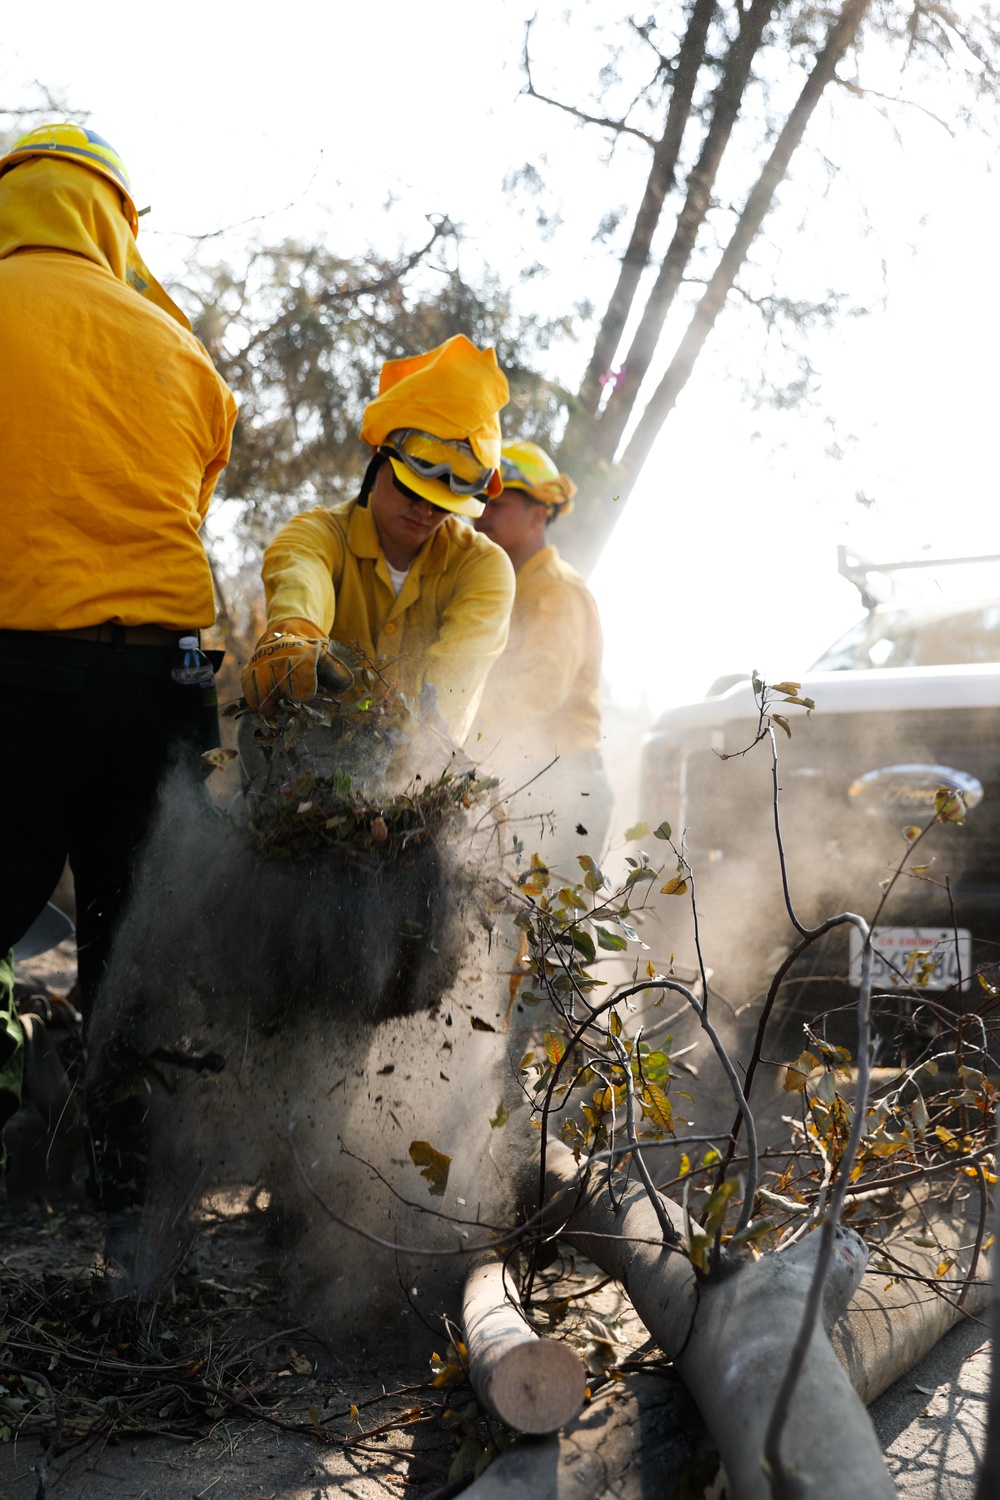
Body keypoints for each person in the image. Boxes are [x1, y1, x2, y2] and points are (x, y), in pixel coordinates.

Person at [0, 124, 237, 1170]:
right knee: (136, 939)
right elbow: (185, 500)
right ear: (113, 222)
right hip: (165, 677)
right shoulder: (183, 351)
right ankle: (135, 1207)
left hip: (18, 666)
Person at [242, 335, 516, 748]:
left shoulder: (482, 568)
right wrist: (294, 634)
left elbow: (452, 688)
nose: (425, 511)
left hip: (417, 770)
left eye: (442, 504)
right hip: (309, 750)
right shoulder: (317, 535)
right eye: (412, 490)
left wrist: (404, 769)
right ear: (378, 461)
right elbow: (300, 577)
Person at [473, 441, 612, 871]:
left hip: (566, 786)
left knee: (552, 933)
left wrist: (461, 729)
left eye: (501, 504)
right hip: (528, 779)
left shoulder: (556, 589)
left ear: (538, 515)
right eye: (482, 501)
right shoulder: (501, 584)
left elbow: (539, 688)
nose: (484, 513)